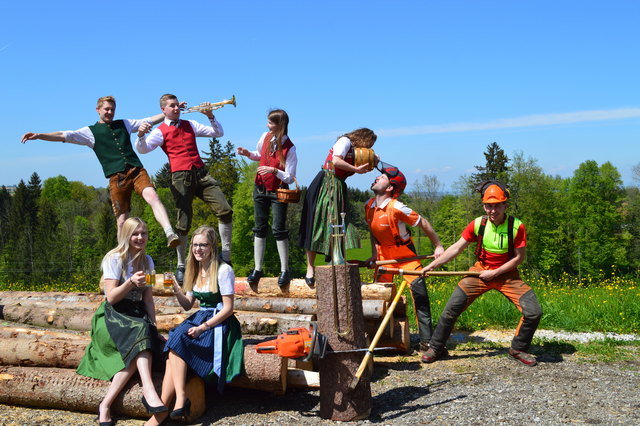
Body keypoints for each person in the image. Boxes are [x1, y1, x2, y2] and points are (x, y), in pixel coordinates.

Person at [20, 96, 179, 247]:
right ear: (98, 110)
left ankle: (169, 233)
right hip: (117, 178)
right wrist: (39, 135)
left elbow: (149, 120)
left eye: (112, 110)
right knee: (122, 220)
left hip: (136, 170)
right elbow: (64, 135)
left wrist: (167, 113)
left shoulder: (124, 123)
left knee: (152, 196)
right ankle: (122, 255)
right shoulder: (89, 132)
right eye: (107, 109)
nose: (110, 112)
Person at [421, 181, 543, 366]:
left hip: (507, 274)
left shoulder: (517, 226)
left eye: (496, 206)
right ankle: (436, 347)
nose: (492, 210)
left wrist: (495, 273)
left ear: (505, 205)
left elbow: (519, 258)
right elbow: (456, 248)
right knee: (451, 310)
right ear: (484, 206)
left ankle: (518, 348)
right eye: (488, 206)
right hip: (479, 272)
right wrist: (433, 265)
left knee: (534, 312)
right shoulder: (478, 224)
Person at [145, 226, 244, 425]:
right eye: (195, 245)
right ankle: (170, 404)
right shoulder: (195, 269)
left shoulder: (224, 270)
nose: (198, 249)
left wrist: (203, 328)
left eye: (203, 245)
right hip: (200, 317)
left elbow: (228, 309)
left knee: (178, 339)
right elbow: (187, 305)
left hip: (218, 322)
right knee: (174, 339)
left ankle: (171, 405)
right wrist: (175, 288)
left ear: (212, 247)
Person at [77, 217, 167, 426]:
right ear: (127, 236)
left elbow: (148, 298)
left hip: (136, 314)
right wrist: (129, 282)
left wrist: (154, 326)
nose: (140, 237)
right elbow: (111, 297)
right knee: (141, 331)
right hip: (113, 315)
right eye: (135, 233)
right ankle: (148, 389)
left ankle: (105, 405)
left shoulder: (148, 261)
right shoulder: (115, 259)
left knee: (144, 334)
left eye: (143, 233)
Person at [136, 94, 233, 283]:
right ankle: (181, 264)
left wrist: (211, 116)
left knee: (225, 210)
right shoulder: (160, 131)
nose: (176, 108)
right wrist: (140, 135)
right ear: (163, 109)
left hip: (201, 173)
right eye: (171, 106)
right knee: (183, 222)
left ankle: (227, 257)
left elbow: (218, 133)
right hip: (180, 177)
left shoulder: (191, 124)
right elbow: (143, 149)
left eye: (176, 106)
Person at [365, 164, 444, 356]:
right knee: (378, 298)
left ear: (390, 188)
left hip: (406, 256)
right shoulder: (369, 206)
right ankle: (381, 338)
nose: (377, 178)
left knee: (420, 296)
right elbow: (373, 232)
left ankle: (427, 343)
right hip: (384, 257)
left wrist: (438, 246)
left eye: (382, 177)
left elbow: (423, 222)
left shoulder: (398, 207)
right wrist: (374, 255)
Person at [298, 128, 377, 284]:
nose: (369, 147)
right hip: (326, 183)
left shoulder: (356, 152)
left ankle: (337, 261)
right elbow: (335, 161)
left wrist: (373, 158)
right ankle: (310, 268)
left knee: (338, 224)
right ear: (363, 138)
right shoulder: (345, 141)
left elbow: (374, 158)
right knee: (316, 224)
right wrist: (355, 169)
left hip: (338, 185)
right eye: (369, 143)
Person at [236, 109, 298, 287]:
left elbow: (290, 177)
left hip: (278, 190)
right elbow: (259, 156)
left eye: (271, 123)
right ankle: (257, 268)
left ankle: (285, 270)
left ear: (280, 125)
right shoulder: (264, 136)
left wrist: (274, 171)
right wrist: (248, 154)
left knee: (278, 229)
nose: (267, 125)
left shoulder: (290, 148)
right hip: (260, 188)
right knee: (259, 227)